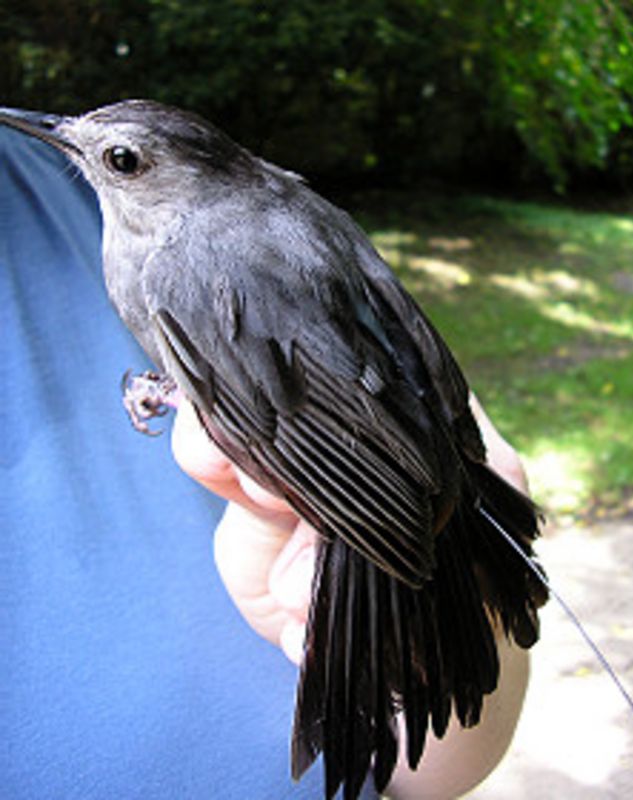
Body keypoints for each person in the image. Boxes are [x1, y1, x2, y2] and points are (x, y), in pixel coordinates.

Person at [1, 120, 531, 799]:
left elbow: (303, 421)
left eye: (124, 160)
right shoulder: (241, 212)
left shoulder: (178, 261)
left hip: (369, 468)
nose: (84, 155)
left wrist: (400, 516)